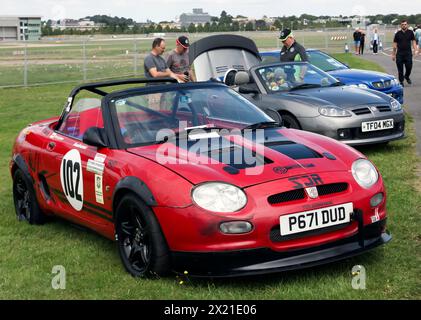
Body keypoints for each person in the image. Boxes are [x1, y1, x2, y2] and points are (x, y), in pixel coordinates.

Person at [392, 20, 419, 86]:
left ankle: (406, 76)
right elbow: (395, 44)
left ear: (407, 25)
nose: (404, 25)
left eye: (405, 24)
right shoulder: (397, 34)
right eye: (402, 24)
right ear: (401, 25)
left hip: (408, 53)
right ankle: (401, 81)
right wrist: (393, 54)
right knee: (400, 69)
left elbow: (413, 42)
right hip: (399, 54)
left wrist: (415, 50)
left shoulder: (410, 33)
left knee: (409, 66)